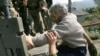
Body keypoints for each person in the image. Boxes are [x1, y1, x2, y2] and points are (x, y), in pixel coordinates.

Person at [25, 3, 97, 56]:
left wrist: (32, 40)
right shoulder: (69, 17)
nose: (53, 19)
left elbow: (51, 35)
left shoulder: (67, 23)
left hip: (77, 51)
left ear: (62, 12)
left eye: (54, 16)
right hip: (73, 47)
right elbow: (55, 28)